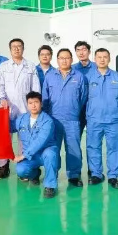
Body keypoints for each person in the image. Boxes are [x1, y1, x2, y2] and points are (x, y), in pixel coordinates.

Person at [0, 38, 41, 179]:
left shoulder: (30, 66)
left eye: (19, 46)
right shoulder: (3, 66)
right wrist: (2, 98)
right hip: (7, 109)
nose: (16, 49)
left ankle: (24, 167)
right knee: (4, 139)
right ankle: (3, 167)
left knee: (24, 139)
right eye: (13, 47)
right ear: (10, 49)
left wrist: (34, 106)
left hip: (25, 110)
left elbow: (35, 88)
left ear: (23, 48)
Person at [42, 48, 87, 187]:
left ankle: (74, 175)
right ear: (57, 60)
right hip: (54, 120)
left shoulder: (79, 76)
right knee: (53, 149)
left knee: (74, 149)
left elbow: (83, 98)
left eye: (67, 58)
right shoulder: (50, 76)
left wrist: (74, 110)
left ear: (71, 60)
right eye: (61, 58)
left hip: (72, 120)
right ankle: (53, 174)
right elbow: (45, 98)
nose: (64, 60)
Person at [85, 48, 118, 189]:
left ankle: (113, 176)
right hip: (94, 119)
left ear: (109, 59)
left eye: (105, 57)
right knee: (93, 147)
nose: (102, 59)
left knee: (114, 148)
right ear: (95, 59)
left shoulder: (117, 77)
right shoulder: (89, 77)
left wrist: (113, 108)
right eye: (99, 57)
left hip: (112, 120)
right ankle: (96, 174)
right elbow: (83, 96)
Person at [12, 92, 59, 198]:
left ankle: (50, 186)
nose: (33, 105)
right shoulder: (21, 119)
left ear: (41, 104)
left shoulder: (47, 121)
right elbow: (8, 127)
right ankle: (35, 174)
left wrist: (23, 155)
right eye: (30, 103)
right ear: (27, 105)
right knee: (20, 170)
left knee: (50, 154)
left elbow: (40, 141)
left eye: (36, 102)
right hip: (32, 156)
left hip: (44, 153)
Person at [73, 41, 94, 139]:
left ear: (89, 52)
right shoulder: (72, 69)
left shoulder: (97, 67)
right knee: (76, 136)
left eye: (84, 50)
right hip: (78, 108)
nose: (81, 53)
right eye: (78, 50)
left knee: (93, 137)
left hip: (93, 108)